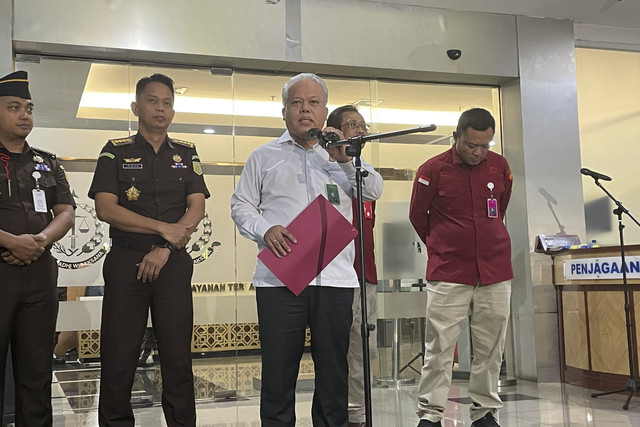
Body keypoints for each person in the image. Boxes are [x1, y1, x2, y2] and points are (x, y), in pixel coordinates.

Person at [231, 74, 383, 426]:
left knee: (334, 371)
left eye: (313, 103)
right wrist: (264, 229)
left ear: (324, 111)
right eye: (297, 103)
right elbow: (240, 206)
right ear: (284, 110)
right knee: (278, 370)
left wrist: (344, 157)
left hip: (335, 279)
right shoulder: (263, 156)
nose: (305, 110)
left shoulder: (341, 156)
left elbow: (372, 190)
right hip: (278, 279)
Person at [88, 73, 209, 426]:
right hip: (127, 260)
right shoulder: (115, 150)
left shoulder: (186, 153)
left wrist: (166, 247)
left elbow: (197, 208)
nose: (161, 108)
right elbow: (106, 208)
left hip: (172, 262)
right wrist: (162, 229)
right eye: (153, 101)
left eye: (167, 103)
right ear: (136, 106)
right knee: (119, 354)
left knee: (176, 356)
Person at [409, 108, 513, 427]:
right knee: (439, 346)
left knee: (490, 347)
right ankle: (430, 414)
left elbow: (501, 207)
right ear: (457, 137)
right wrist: (445, 245)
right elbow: (417, 215)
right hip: (449, 271)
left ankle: (484, 412)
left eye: (485, 145)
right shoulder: (432, 169)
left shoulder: (499, 167)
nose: (479, 153)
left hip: (495, 270)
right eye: (472, 145)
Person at [0, 70, 75, 425]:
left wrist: (40, 241)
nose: (24, 115)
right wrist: (11, 241)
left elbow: (66, 212)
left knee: (36, 373)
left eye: (28, 108)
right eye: (14, 107)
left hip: (40, 277)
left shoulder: (48, 162)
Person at [326, 105, 379, 427]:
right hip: (330, 277)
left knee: (362, 350)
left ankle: (357, 414)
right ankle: (334, 412)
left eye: (362, 124)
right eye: (351, 125)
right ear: (334, 132)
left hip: (364, 275)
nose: (360, 130)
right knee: (333, 350)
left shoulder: (367, 174)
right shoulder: (324, 169)